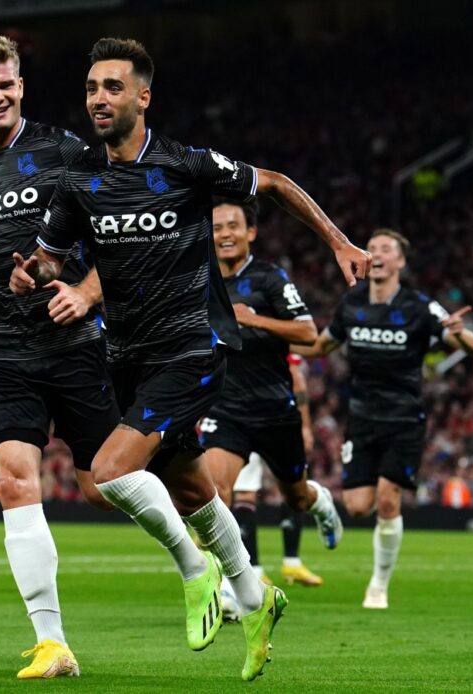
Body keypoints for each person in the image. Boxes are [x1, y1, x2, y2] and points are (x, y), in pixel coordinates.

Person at [9, 37, 370, 681]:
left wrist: (338, 242)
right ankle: (257, 601)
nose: (99, 98)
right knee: (193, 489)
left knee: (112, 471)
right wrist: (30, 273)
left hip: (193, 345)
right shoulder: (79, 181)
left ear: (143, 96)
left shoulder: (185, 164)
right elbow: (51, 256)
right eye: (92, 87)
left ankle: (194, 568)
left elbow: (277, 183)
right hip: (128, 355)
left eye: (113, 87)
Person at [0, 35, 120, 680]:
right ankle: (53, 644)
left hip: (73, 344)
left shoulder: (64, 150)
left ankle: (203, 551)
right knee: (15, 473)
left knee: (104, 489)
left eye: (5, 84)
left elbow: (114, 227)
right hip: (5, 350)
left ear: (21, 86)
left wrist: (87, 291)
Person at [295, 229, 473, 609]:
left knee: (387, 500)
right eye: (372, 248)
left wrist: (460, 335)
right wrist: (271, 337)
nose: (377, 254)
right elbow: (320, 345)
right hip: (361, 417)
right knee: (358, 507)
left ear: (400, 262)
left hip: (404, 417)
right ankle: (328, 501)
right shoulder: (351, 305)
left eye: (386, 249)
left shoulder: (420, 307)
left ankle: (378, 585)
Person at [200, 199, 342, 620]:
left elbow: (308, 333)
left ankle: (320, 502)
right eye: (217, 227)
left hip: (274, 408)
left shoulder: (270, 279)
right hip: (225, 408)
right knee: (215, 492)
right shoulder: (201, 280)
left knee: (294, 495)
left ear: (250, 233)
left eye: (232, 226)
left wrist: (255, 319)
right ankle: (230, 589)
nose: (224, 233)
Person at [225, 356, 327, 591]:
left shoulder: (233, 329)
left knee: (248, 494)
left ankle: (261, 568)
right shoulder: (279, 329)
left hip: (241, 418)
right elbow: (297, 379)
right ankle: (287, 562)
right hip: (273, 420)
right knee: (289, 485)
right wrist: (304, 426)